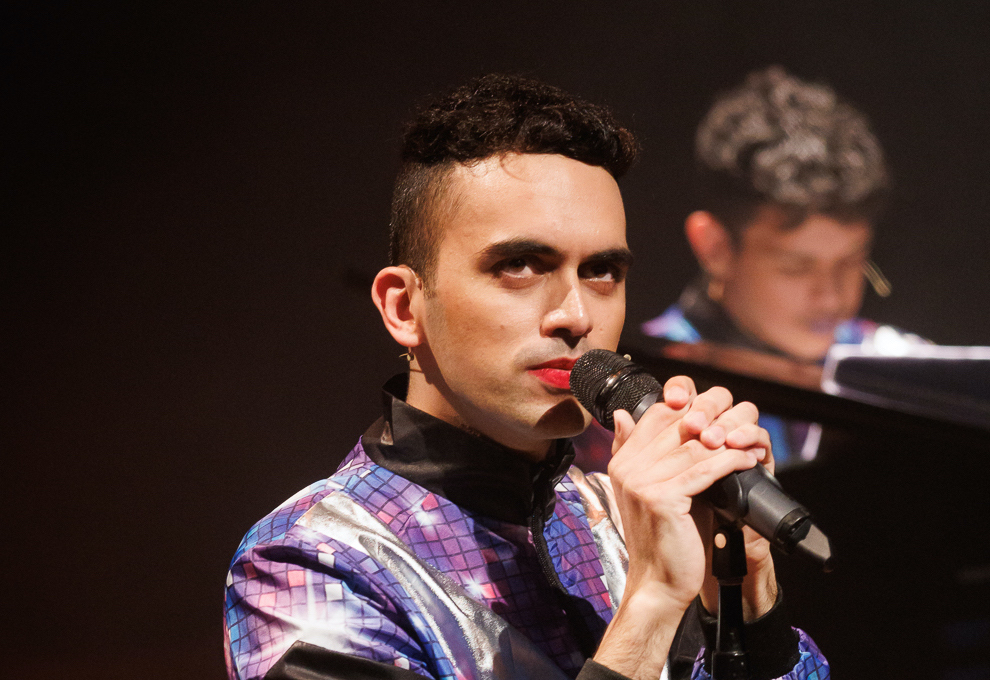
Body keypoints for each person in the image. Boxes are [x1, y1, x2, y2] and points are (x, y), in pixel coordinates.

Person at [223, 75, 828, 680]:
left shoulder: (626, 518)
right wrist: (648, 606)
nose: (576, 315)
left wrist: (748, 598)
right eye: (519, 265)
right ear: (404, 307)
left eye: (602, 271)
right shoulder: (312, 559)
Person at [643, 66, 925, 468]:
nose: (831, 296)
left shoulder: (901, 369)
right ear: (715, 247)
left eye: (851, 262)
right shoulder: (648, 388)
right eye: (795, 267)